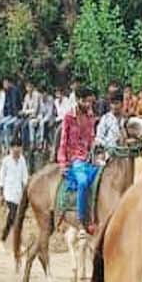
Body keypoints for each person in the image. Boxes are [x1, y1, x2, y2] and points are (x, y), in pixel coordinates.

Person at [56, 87, 99, 230]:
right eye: (85, 101)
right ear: (78, 100)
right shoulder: (69, 117)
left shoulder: (91, 117)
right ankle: (81, 221)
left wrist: (98, 150)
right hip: (74, 159)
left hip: (89, 158)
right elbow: (63, 141)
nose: (88, 104)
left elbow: (92, 138)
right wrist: (62, 163)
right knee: (83, 182)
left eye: (89, 101)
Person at [0, 140, 29, 245]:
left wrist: (26, 191)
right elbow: (2, 177)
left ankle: (3, 241)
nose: (17, 149)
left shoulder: (22, 160)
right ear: (11, 148)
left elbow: (25, 177)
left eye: (19, 147)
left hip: (18, 193)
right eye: (14, 147)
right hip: (9, 193)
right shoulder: (6, 160)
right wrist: (1, 193)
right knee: (14, 217)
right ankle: (17, 243)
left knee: (11, 219)